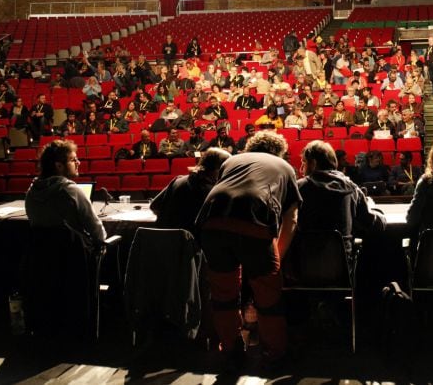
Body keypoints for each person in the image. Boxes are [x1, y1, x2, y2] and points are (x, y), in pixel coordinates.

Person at [195, 131, 302, 367]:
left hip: (211, 222)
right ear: (279, 151)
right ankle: (273, 352)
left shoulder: (231, 160)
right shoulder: (284, 167)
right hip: (254, 221)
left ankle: (230, 349)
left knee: (224, 293)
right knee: (267, 293)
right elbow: (291, 219)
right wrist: (277, 259)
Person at [296, 140, 386, 258]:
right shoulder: (351, 188)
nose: (301, 168)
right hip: (341, 262)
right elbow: (371, 223)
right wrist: (377, 212)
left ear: (313, 163)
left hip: (304, 261)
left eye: (304, 162)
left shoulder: (299, 187)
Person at [25, 140, 106, 249]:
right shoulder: (71, 191)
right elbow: (98, 234)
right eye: (73, 160)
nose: (78, 163)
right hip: (74, 258)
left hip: (43, 259)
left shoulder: (31, 193)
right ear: (59, 165)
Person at [150, 147, 231, 232]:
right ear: (217, 169)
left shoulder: (177, 180)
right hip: (192, 242)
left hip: (166, 240)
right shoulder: (213, 192)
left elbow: (154, 206)